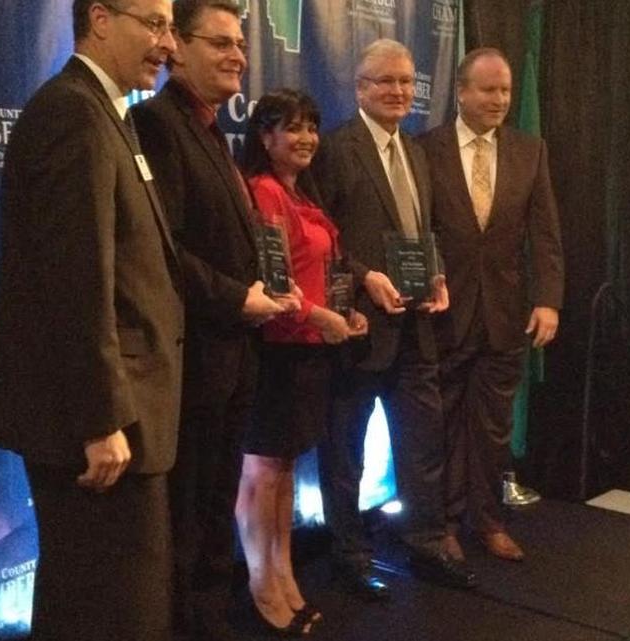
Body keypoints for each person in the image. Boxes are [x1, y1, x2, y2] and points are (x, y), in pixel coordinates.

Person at [0, 1, 181, 640]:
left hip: (121, 416)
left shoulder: (106, 112)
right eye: (153, 23)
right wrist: (100, 420)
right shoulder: (73, 113)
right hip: (101, 430)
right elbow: (74, 281)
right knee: (112, 610)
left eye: (170, 26)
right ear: (99, 18)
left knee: (95, 603)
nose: (167, 43)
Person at [129, 1, 296, 638]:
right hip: (192, 364)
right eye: (220, 43)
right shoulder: (154, 122)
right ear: (177, 46)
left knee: (213, 516)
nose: (237, 56)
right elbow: (163, 250)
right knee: (188, 519)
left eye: (241, 44)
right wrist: (237, 299)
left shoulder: (206, 129)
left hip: (233, 360)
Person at [312, 38, 475, 600]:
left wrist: (439, 276)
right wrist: (363, 278)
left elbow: (423, 234)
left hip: (417, 331)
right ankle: (350, 554)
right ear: (360, 87)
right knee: (345, 454)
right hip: (359, 333)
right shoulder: (335, 149)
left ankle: (427, 543)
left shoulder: (417, 151)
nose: (399, 91)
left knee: (423, 443)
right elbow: (320, 240)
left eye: (407, 81)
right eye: (386, 81)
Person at [419, 48, 565, 562]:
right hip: (444, 314)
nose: (500, 99)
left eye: (505, 90)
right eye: (488, 89)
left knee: (493, 429)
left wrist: (549, 300)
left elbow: (545, 234)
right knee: (442, 426)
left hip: (507, 316)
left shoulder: (531, 151)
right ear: (460, 91)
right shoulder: (425, 149)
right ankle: (444, 524)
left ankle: (489, 522)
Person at [236, 89, 368, 636]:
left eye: (312, 126)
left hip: (309, 354)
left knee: (285, 473)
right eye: (292, 128)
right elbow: (273, 284)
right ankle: (261, 583)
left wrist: (345, 314)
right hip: (276, 353)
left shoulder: (303, 196)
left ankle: (284, 574)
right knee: (263, 473)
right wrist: (320, 317)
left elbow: (320, 269)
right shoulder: (263, 193)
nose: (307, 138)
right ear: (265, 137)